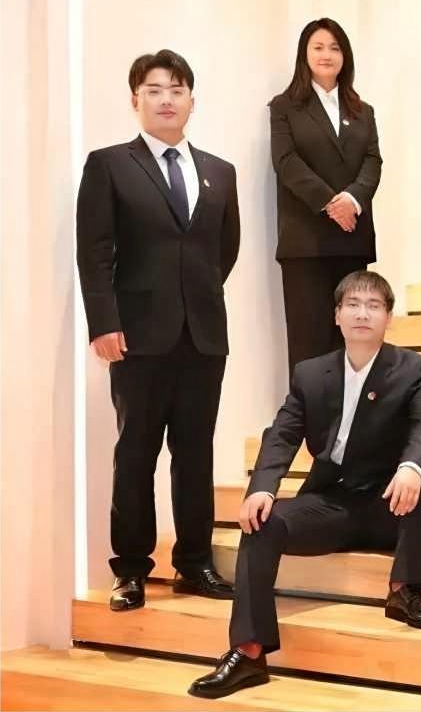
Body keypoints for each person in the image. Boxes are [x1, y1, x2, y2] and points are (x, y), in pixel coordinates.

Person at [188, 271, 421, 699]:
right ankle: (248, 652)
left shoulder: (412, 369)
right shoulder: (311, 373)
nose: (362, 314)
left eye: (373, 306)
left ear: (388, 318)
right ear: (337, 315)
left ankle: (406, 589)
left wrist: (411, 467)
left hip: (390, 504)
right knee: (262, 522)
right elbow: (283, 434)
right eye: (353, 305)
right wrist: (262, 488)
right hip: (333, 504)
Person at [76, 49, 240, 613]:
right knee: (136, 452)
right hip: (136, 338)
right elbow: (95, 252)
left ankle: (194, 561)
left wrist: (196, 298)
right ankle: (130, 569)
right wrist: (104, 322)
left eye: (176, 89)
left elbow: (224, 249)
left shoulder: (220, 172)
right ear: (135, 100)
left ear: (192, 100)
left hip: (204, 336)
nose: (166, 99)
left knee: (195, 453)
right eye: (154, 89)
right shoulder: (110, 165)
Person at [270, 18, 382, 375]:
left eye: (335, 48)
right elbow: (286, 162)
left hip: (351, 237)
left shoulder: (363, 111)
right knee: (309, 343)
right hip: (306, 242)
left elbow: (372, 161)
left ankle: (352, 411)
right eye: (318, 47)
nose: (326, 55)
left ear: (345, 56)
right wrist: (331, 204)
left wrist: (353, 200)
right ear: (304, 54)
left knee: (354, 341)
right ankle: (310, 413)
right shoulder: (285, 106)